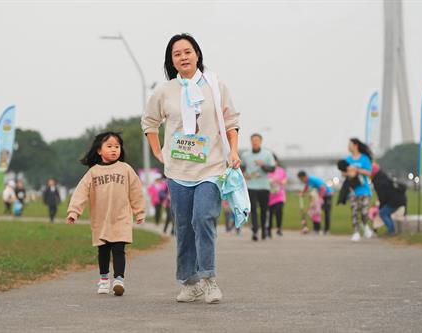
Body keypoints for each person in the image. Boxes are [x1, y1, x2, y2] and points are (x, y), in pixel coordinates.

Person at [141, 33, 240, 304]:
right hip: (178, 171)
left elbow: (231, 121)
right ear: (171, 61)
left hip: (210, 167)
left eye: (188, 51)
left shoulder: (215, 85)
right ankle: (189, 282)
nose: (183, 57)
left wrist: (233, 151)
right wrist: (157, 151)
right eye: (177, 54)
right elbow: (149, 122)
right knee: (184, 226)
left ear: (197, 54)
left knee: (203, 219)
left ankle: (208, 279)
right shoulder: (164, 91)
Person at [66, 132, 145, 296]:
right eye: (109, 146)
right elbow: (81, 193)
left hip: (121, 217)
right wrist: (74, 212)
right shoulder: (93, 173)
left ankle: (119, 280)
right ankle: (103, 279)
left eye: (117, 146)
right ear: (99, 150)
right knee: (103, 250)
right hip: (101, 218)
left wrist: (139, 212)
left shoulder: (125, 169)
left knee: (118, 249)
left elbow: (136, 191)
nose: (114, 149)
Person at [241, 134, 275, 241]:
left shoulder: (267, 154)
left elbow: (272, 169)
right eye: (253, 140)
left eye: (257, 140)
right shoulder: (245, 155)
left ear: (261, 141)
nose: (255, 142)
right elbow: (241, 168)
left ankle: (264, 230)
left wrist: (263, 165)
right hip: (251, 186)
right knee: (253, 210)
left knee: (264, 210)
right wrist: (243, 174)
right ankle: (255, 230)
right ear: (251, 142)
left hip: (264, 186)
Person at [345, 138, 373, 242]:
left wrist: (356, 170)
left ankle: (365, 225)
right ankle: (356, 232)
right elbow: (344, 173)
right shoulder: (348, 159)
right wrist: (349, 172)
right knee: (354, 212)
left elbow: (369, 173)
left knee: (364, 211)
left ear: (355, 145)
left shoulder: (364, 159)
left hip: (364, 190)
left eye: (350, 144)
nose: (348, 146)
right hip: (352, 190)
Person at [370, 163, 407, 235]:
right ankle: (392, 230)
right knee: (386, 213)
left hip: (394, 201)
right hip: (399, 199)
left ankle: (392, 231)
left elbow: (382, 196)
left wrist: (381, 206)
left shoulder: (378, 182)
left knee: (382, 213)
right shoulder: (383, 177)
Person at [297, 171, 333, 235]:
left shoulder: (313, 179)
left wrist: (320, 198)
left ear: (304, 177)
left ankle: (327, 230)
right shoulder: (308, 182)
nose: (301, 181)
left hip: (327, 195)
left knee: (326, 212)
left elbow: (322, 188)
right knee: (315, 213)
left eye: (301, 179)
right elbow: (306, 187)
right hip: (320, 196)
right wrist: (302, 193)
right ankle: (317, 229)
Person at [268, 154, 287, 236]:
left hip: (279, 196)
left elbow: (285, 179)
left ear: (276, 162)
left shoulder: (281, 170)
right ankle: (268, 229)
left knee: (279, 212)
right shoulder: (266, 170)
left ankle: (279, 228)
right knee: (270, 214)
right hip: (269, 196)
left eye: (274, 161)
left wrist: (282, 181)